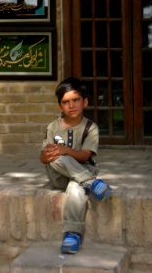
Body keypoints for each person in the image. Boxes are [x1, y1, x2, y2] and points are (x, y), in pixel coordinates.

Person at [40, 77, 112, 254]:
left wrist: (65, 150)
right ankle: (91, 183)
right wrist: (46, 155)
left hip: (81, 171)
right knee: (56, 157)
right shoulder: (53, 127)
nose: (71, 105)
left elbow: (85, 155)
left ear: (85, 102)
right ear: (60, 106)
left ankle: (72, 234)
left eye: (75, 100)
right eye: (65, 102)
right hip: (59, 176)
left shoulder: (91, 128)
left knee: (75, 188)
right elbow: (44, 157)